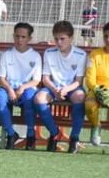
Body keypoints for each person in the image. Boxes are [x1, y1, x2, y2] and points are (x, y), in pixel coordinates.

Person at [33, 20, 87, 154]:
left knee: (80, 97)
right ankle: (54, 133)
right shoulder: (49, 52)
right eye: (56, 39)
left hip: (71, 88)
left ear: (71, 38)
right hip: (53, 87)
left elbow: (79, 81)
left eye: (62, 39)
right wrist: (54, 90)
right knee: (39, 99)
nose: (59, 42)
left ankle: (74, 138)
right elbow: (45, 78)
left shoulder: (81, 54)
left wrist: (66, 89)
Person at [0, 22, 42, 150]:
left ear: (29, 38)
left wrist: (22, 87)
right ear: (13, 36)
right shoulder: (7, 54)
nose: (19, 40)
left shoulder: (35, 56)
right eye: (17, 36)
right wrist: (10, 89)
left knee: (30, 99)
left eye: (23, 37)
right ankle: (11, 134)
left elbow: (36, 80)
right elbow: (1, 78)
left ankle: (30, 135)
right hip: (8, 87)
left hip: (25, 89)